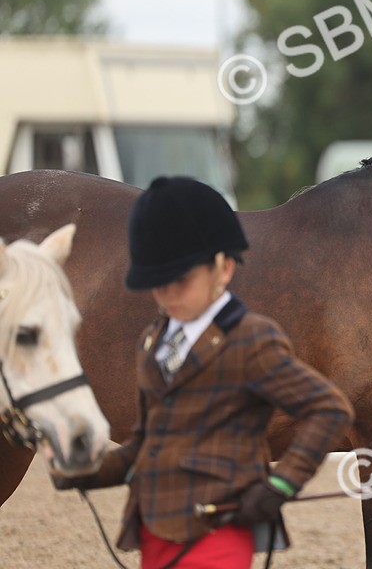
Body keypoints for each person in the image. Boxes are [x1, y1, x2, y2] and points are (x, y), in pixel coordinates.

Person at [52, 176, 354, 569]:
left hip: (220, 534)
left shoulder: (252, 340)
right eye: (157, 283)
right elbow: (145, 447)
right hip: (155, 533)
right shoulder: (153, 342)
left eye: (181, 280)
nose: (167, 294)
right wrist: (86, 471)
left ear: (224, 268)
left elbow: (329, 409)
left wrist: (281, 484)